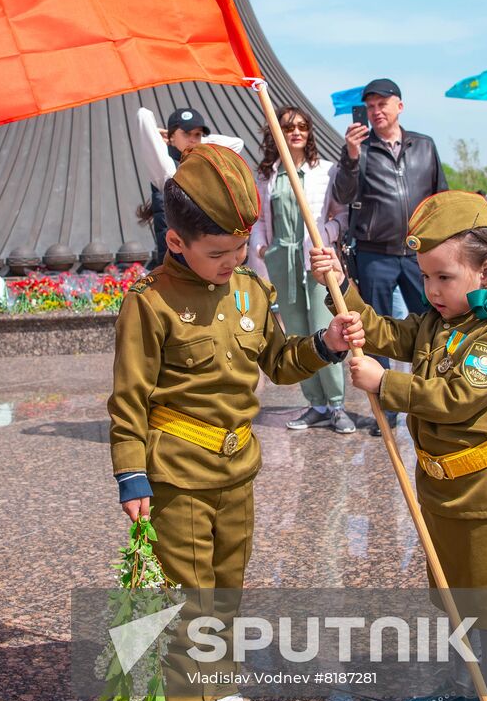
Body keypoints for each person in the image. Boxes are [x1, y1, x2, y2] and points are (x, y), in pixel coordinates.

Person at [110, 143, 362, 701]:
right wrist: (130, 474)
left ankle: (216, 684)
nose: (230, 264)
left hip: (237, 467)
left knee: (225, 593)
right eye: (215, 253)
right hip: (178, 473)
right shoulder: (151, 301)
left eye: (238, 250)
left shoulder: (251, 290)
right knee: (190, 599)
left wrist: (326, 344)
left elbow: (277, 362)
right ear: (175, 241)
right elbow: (129, 397)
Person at [312, 191, 487, 701]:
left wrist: (388, 385)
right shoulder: (438, 323)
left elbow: (456, 400)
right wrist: (343, 285)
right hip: (441, 490)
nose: (433, 290)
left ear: (486, 271)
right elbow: (386, 333)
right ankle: (467, 691)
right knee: (453, 594)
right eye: (426, 277)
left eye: (444, 276)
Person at [332, 78, 448, 435]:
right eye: (370, 106)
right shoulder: (360, 148)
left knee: (434, 321)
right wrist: (351, 157)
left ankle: (433, 395)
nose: (376, 111)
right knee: (376, 327)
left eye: (383, 104)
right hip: (375, 252)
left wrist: (443, 243)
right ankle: (386, 405)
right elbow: (343, 193)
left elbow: (439, 195)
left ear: (400, 106)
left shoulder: (424, 146)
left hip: (417, 253)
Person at [248, 107, 353, 434]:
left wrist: (328, 236)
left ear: (309, 132)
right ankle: (315, 403)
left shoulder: (325, 171)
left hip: (316, 259)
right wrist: (263, 246)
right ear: (277, 132)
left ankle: (336, 404)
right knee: (295, 332)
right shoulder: (268, 175)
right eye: (288, 126)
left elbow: (342, 215)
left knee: (326, 328)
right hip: (283, 259)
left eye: (302, 127)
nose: (295, 132)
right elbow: (260, 219)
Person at [135, 107, 245, 267]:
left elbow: (237, 144)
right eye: (187, 133)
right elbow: (143, 115)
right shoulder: (166, 168)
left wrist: (199, 142)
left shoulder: (202, 164)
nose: (193, 139)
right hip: (177, 264)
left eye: (198, 134)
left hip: (204, 260)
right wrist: (163, 135)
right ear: (171, 136)